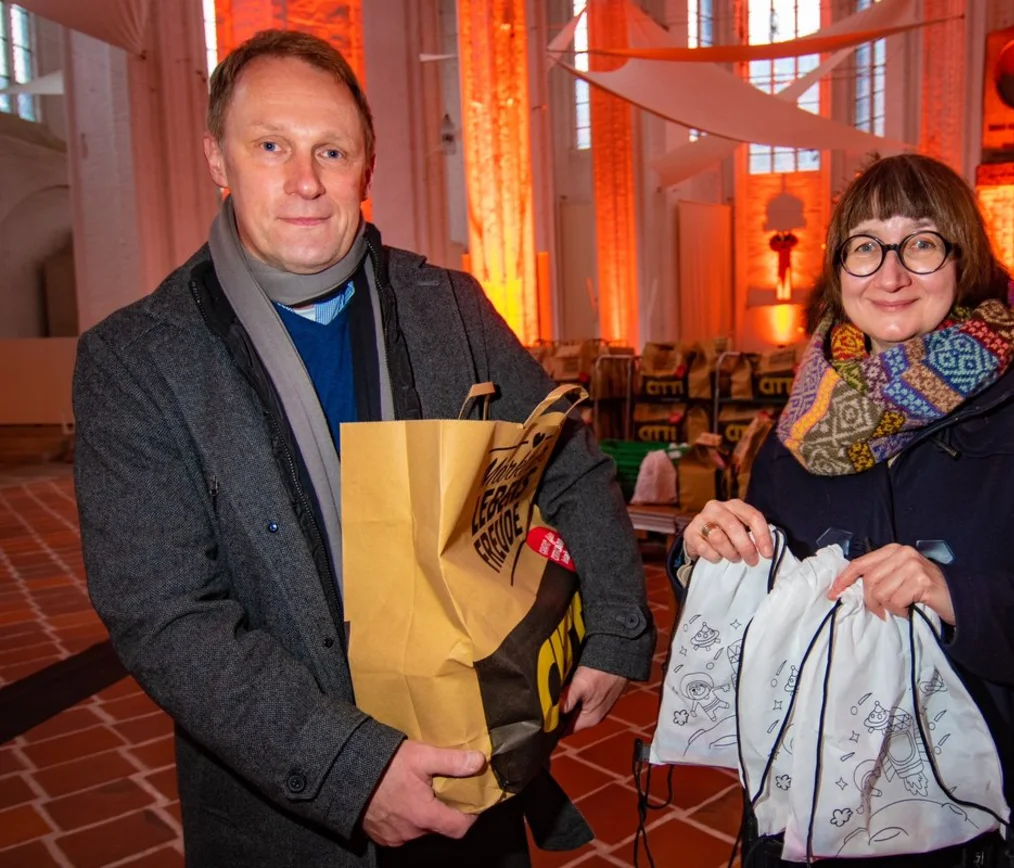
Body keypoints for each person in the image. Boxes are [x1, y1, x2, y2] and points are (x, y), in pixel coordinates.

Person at [72, 29, 654, 868]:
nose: (305, 181)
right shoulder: (138, 359)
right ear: (217, 157)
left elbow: (563, 457)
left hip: (474, 756)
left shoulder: (447, 305)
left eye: (331, 150)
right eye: (271, 146)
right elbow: (166, 614)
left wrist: (614, 626)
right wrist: (353, 769)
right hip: (289, 812)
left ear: (365, 167)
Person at [674, 154, 1014, 868]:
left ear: (965, 263)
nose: (892, 274)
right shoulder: (800, 425)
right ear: (839, 271)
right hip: (812, 820)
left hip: (982, 831)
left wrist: (955, 596)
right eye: (866, 247)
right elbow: (758, 606)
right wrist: (704, 557)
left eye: (923, 244)